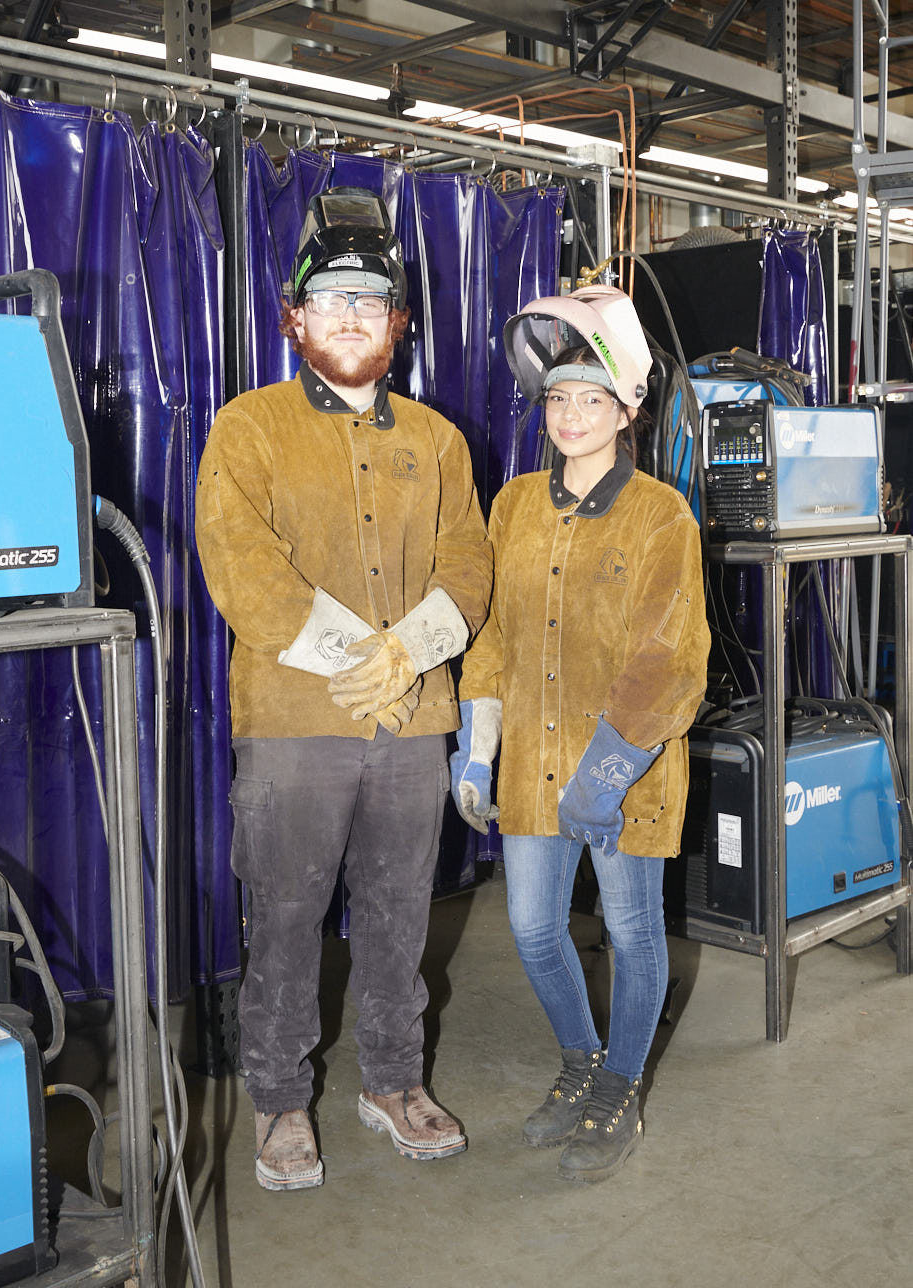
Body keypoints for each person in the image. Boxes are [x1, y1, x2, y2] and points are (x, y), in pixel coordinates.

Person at [195, 186, 492, 1191]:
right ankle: (280, 1099)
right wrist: (354, 658)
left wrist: (409, 652)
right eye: (332, 299)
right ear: (295, 317)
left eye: (373, 298)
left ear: (401, 321)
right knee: (285, 914)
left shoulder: (442, 440)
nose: (354, 313)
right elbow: (241, 564)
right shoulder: (249, 429)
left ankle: (394, 1080)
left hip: (414, 721)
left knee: (402, 908)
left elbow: (471, 562)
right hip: (291, 725)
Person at [451, 285, 710, 1184]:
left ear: (627, 409)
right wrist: (475, 746)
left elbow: (669, 658)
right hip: (529, 761)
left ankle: (621, 1088)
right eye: (556, 398)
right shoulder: (514, 505)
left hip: (622, 771)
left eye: (591, 398)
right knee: (530, 927)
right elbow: (489, 637)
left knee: (634, 934)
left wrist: (607, 771)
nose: (569, 415)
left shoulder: (659, 516)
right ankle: (579, 1061)